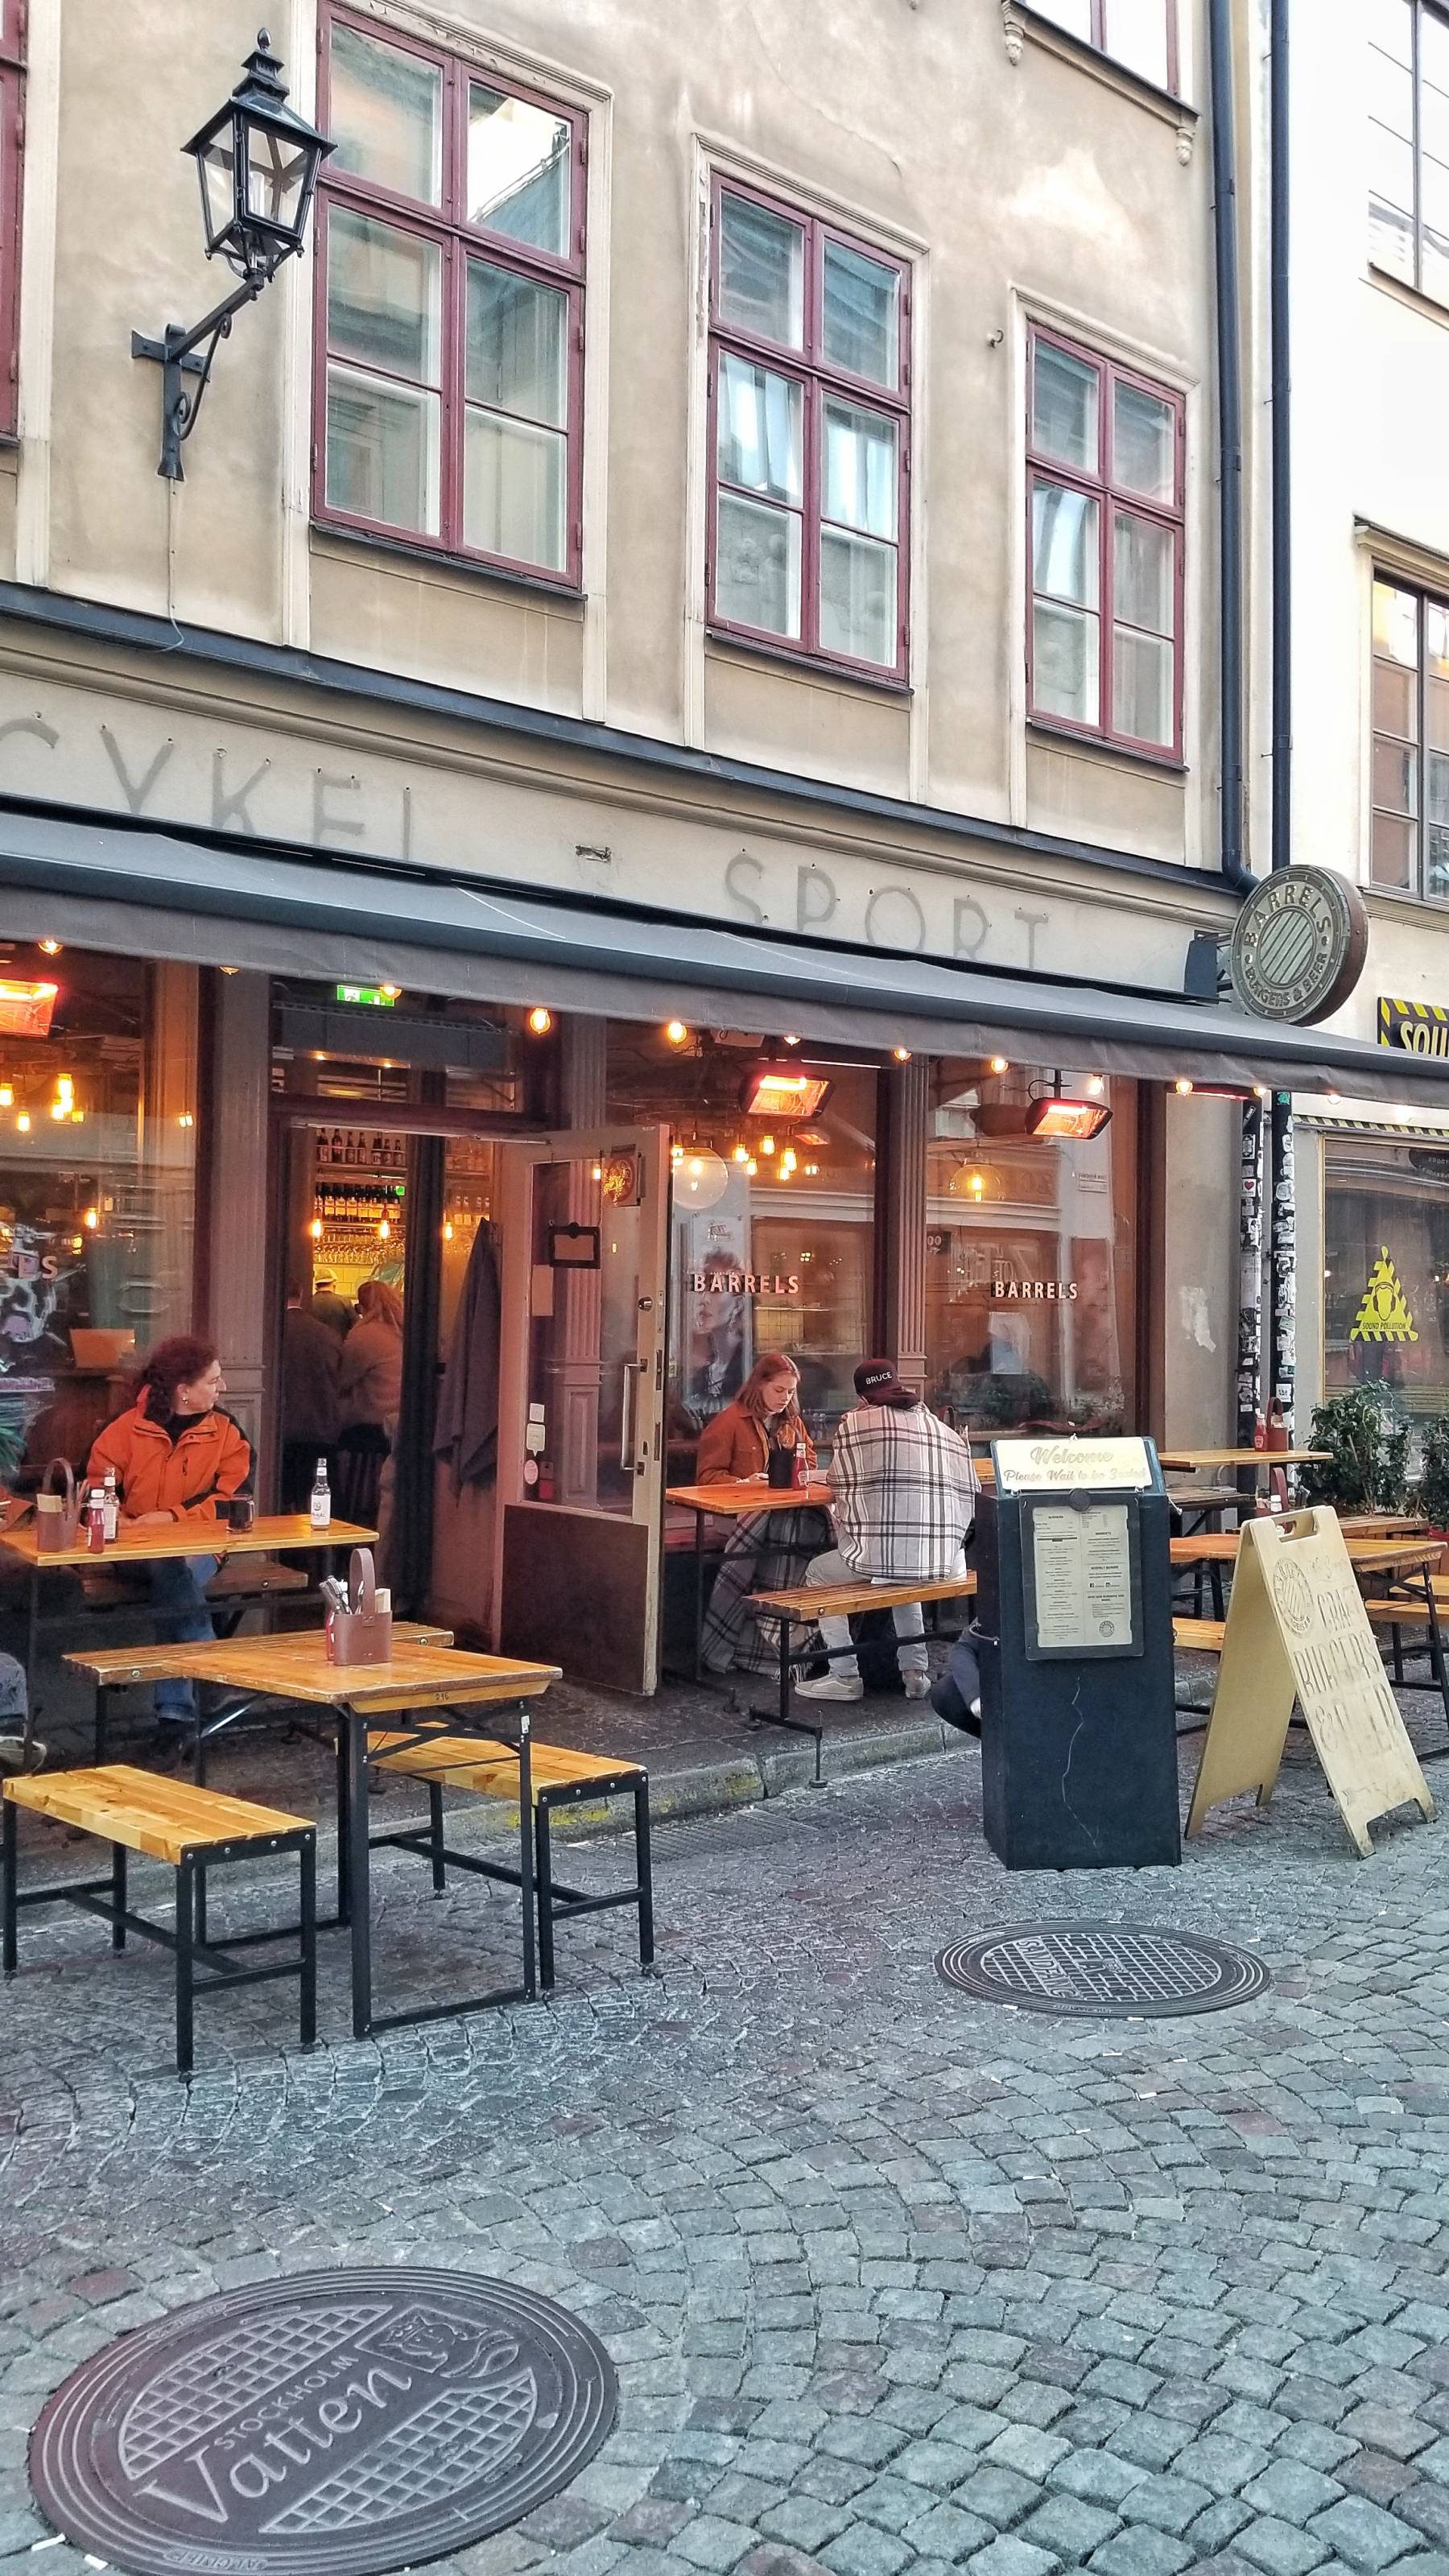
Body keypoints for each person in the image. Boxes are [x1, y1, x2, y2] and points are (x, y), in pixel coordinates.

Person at [85, 1335, 251, 1735]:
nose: (223, 1387)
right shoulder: (125, 1429)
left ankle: (174, 1719)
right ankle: (209, 1674)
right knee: (173, 1573)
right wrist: (115, 1516)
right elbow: (93, 1489)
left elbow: (235, 1500)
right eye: (213, 1380)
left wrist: (171, 1517)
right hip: (133, 1551)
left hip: (201, 1548)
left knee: (173, 1575)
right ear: (184, 1391)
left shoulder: (226, 1432)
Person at [797, 1356, 977, 1703]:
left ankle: (844, 1675)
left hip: (892, 1558)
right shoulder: (939, 1427)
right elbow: (969, 1486)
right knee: (904, 1572)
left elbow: (839, 1481)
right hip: (943, 1558)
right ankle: (916, 1674)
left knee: (820, 1572)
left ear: (862, 1397)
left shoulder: (856, 1423)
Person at [696, 1353, 825, 1677]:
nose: (785, 1399)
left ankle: (791, 1644)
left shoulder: (792, 1422)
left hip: (782, 1516)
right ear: (759, 1385)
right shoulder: (728, 1422)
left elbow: (809, 1463)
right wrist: (743, 1483)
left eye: (791, 1392)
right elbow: (706, 1478)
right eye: (779, 1390)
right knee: (795, 1553)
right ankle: (776, 1644)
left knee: (813, 1545)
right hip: (737, 1517)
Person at [280, 1280, 341, 1514]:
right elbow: (341, 1378)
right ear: (302, 1294)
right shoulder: (327, 1334)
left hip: (282, 1431)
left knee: (284, 1495)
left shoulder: (269, 1329)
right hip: (320, 1428)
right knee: (318, 1492)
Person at [309, 1273, 354, 1342]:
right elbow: (355, 1326)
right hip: (337, 1345)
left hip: (313, 1346)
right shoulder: (344, 1302)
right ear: (334, 1284)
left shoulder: (308, 1302)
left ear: (316, 1286)